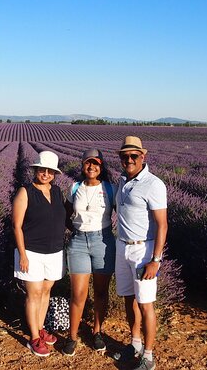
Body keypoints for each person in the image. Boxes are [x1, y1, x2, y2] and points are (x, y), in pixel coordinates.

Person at [113, 136, 167, 370]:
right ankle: (134, 344)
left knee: (146, 304)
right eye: (125, 156)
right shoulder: (122, 182)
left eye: (134, 156)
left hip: (143, 250)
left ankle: (148, 356)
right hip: (122, 247)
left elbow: (163, 224)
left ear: (143, 157)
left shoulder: (154, 184)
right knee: (128, 300)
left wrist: (155, 260)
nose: (129, 160)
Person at [12, 150, 68, 357]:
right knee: (33, 293)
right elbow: (17, 226)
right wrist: (23, 255)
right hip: (32, 251)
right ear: (35, 170)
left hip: (54, 251)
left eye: (50, 171)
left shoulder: (57, 192)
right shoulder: (25, 192)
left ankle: (41, 327)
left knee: (46, 291)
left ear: (54, 174)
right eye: (42, 170)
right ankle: (34, 337)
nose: (45, 174)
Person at [62, 148, 116, 357]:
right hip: (78, 242)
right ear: (82, 165)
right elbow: (66, 213)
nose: (91, 167)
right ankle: (72, 336)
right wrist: (74, 230)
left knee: (101, 292)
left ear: (101, 166)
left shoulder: (110, 188)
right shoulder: (75, 187)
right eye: (88, 163)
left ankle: (97, 332)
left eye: (96, 163)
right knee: (78, 293)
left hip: (103, 241)